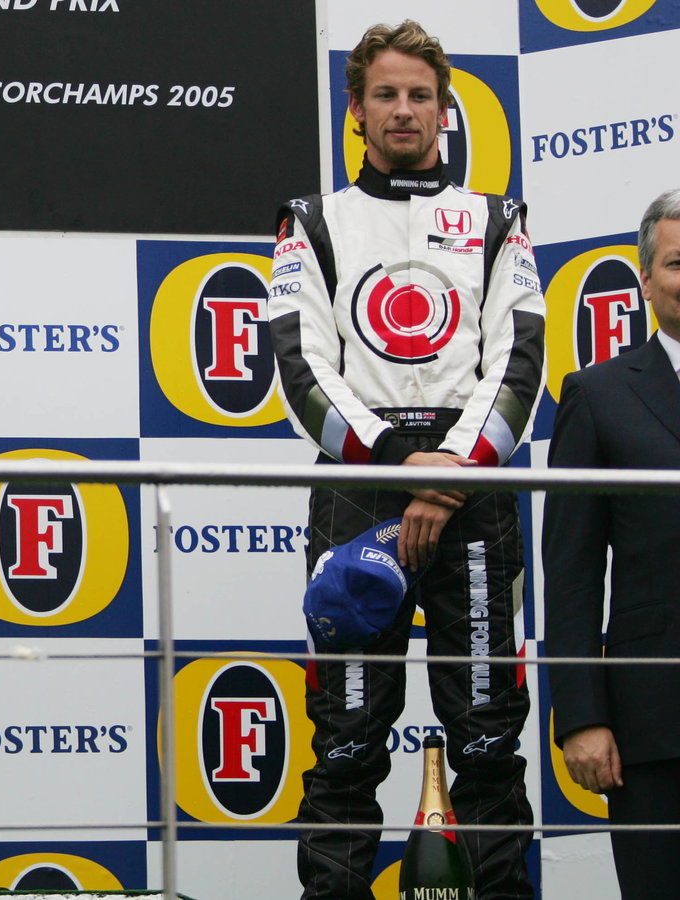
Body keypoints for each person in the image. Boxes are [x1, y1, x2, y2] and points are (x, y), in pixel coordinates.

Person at [267, 21, 544, 900]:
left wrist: (450, 471)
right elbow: (299, 364)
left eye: (419, 94)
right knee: (345, 742)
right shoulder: (313, 221)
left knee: (491, 743)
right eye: (384, 94)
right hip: (361, 497)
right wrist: (405, 464)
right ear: (355, 111)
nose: (403, 110)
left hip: (473, 501)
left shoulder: (499, 218)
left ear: (444, 108)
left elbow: (522, 356)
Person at [543, 189, 680, 900]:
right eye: (679, 262)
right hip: (656, 726)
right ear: (646, 281)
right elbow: (568, 574)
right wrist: (583, 716)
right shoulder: (597, 396)